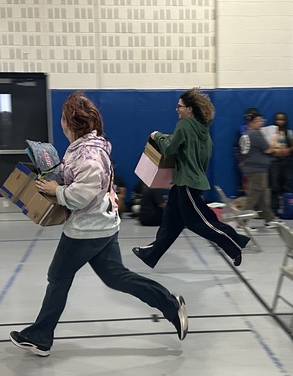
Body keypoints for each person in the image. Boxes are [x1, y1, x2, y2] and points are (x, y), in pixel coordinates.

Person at [10, 91, 188, 356]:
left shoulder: (89, 156)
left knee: (58, 276)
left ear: (71, 122)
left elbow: (80, 196)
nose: (61, 122)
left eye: (63, 117)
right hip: (101, 225)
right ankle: (170, 304)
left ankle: (40, 336)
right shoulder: (85, 149)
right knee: (116, 277)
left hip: (87, 229)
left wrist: (55, 190)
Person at [132, 89, 249, 268]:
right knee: (170, 222)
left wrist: (157, 136)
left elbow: (169, 149)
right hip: (184, 183)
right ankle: (151, 254)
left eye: (180, 106)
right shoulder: (203, 131)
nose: (176, 109)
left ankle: (234, 243)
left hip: (186, 184)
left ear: (190, 110)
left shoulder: (185, 125)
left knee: (198, 222)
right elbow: (203, 157)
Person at [242, 111, 281, 228]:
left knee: (264, 195)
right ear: (252, 122)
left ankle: (269, 219)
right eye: (259, 121)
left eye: (262, 120)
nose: (261, 123)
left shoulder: (246, 134)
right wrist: (275, 138)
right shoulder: (255, 134)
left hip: (254, 169)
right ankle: (242, 222)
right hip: (256, 170)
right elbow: (268, 150)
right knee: (253, 196)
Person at [268, 111, 293, 213]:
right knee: (274, 184)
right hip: (275, 161)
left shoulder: (289, 132)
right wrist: (275, 150)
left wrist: (289, 150)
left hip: (287, 160)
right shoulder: (271, 133)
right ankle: (274, 208)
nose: (280, 121)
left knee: (287, 183)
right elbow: (267, 146)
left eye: (282, 119)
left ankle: (287, 207)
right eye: (278, 119)